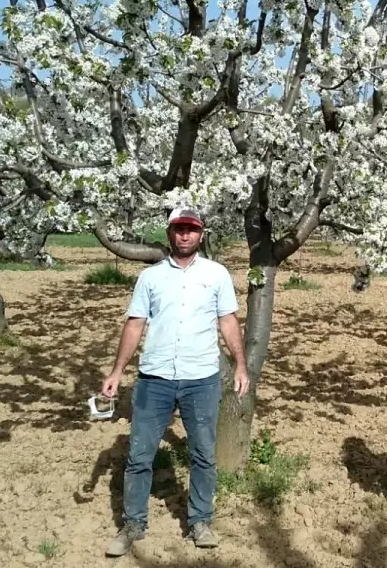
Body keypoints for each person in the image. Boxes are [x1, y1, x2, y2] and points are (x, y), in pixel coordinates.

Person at [100, 207, 250, 557]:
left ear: (202, 234)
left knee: (202, 454)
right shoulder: (150, 277)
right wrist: (117, 371)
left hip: (201, 379)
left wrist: (241, 365)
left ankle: (200, 521)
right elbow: (134, 324)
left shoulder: (216, 274)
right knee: (139, 455)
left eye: (191, 230)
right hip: (155, 379)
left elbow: (228, 321)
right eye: (179, 229)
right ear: (169, 234)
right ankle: (133, 524)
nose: (185, 235)